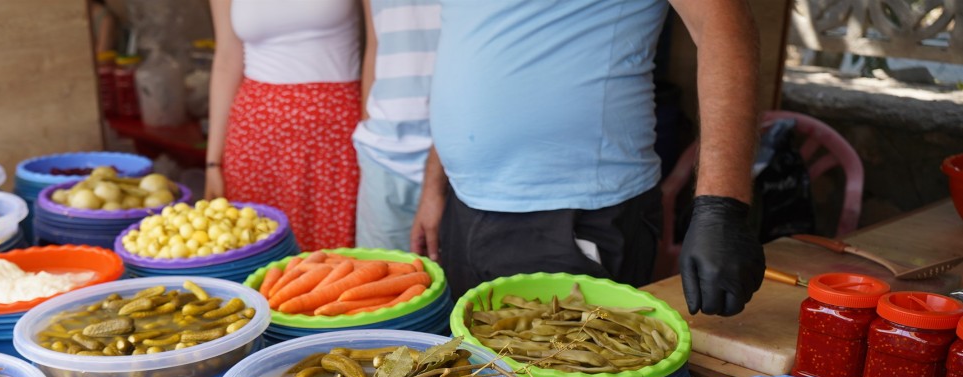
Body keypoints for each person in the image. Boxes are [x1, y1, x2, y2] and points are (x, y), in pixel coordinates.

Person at [411, 0, 765, 317]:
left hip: (573, 213)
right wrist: (434, 186)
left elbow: (721, 21)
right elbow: (476, 51)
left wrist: (722, 206)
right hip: (463, 208)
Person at [205, 0, 366, 251]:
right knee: (256, 248)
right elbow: (226, 60)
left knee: (332, 262)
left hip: (334, 134)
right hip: (254, 137)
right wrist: (213, 161)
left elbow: (379, 46)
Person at [352, 0, 439, 250]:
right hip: (382, 149)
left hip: (455, 150)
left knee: (453, 279)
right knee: (381, 278)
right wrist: (369, 122)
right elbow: (375, 43)